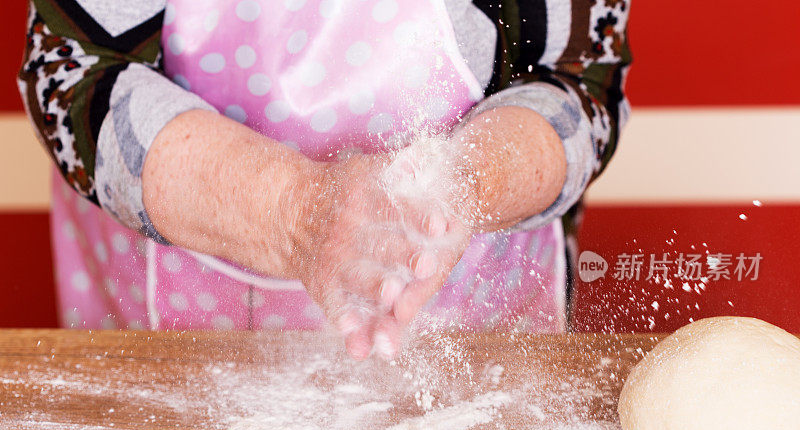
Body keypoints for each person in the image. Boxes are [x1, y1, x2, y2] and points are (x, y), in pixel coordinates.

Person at [19, 0, 630, 360]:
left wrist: (462, 184)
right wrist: (291, 211)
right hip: (171, 328)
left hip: (473, 326)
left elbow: (579, 79)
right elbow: (74, 77)